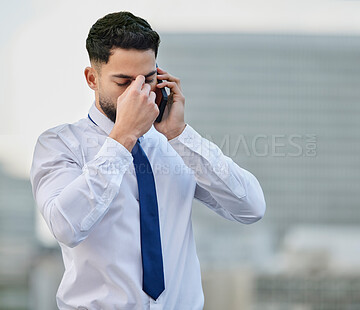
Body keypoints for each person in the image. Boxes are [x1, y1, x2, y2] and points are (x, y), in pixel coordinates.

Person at [30, 11, 266, 310]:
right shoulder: (59, 144)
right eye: (123, 82)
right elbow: (66, 227)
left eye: (148, 80)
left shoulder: (177, 145)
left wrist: (179, 134)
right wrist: (122, 137)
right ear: (92, 78)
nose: (138, 93)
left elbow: (251, 208)